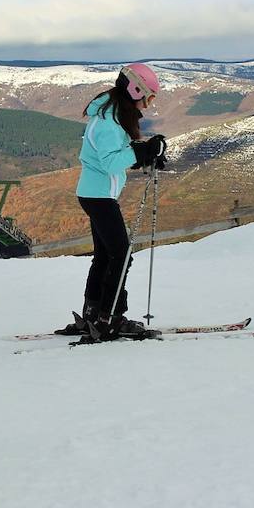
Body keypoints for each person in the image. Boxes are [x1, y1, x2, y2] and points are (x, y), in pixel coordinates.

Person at [64, 63, 167, 341]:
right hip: (99, 197)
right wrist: (142, 151)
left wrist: (145, 154)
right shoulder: (109, 123)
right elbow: (111, 163)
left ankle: (93, 313)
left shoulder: (110, 114)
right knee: (121, 256)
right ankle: (110, 318)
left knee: (106, 255)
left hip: (95, 194)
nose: (148, 103)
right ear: (135, 89)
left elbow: (116, 156)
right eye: (149, 96)